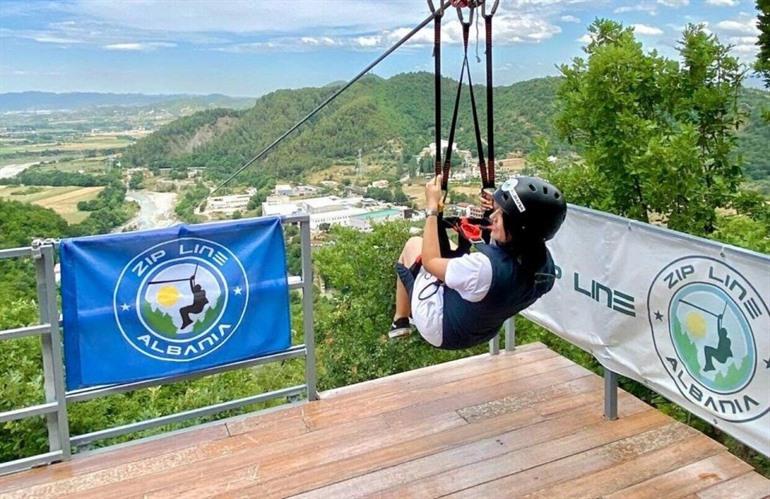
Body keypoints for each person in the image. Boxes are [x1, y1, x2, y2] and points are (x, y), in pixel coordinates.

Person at [389, 174, 566, 349]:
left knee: (414, 245)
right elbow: (505, 258)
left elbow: (431, 261)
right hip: (482, 330)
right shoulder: (545, 271)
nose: (493, 216)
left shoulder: (483, 268)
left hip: (440, 328)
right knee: (450, 259)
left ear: (519, 228)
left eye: (501, 214)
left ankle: (401, 319)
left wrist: (432, 209)